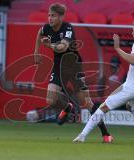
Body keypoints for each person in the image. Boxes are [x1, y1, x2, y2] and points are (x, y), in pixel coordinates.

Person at [33, 3, 113, 143]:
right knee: (50, 100)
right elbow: (40, 33)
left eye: (53, 16)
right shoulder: (47, 28)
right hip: (59, 66)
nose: (50, 18)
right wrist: (36, 52)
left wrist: (49, 45)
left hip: (74, 66)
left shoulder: (68, 28)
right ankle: (67, 106)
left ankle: (106, 134)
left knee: (86, 103)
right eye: (49, 15)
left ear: (61, 17)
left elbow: (62, 47)